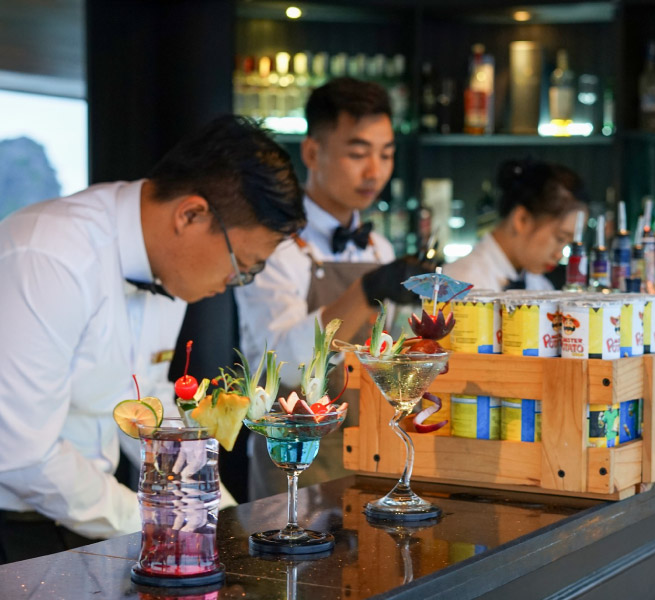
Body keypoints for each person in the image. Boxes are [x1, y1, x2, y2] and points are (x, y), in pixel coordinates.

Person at [0, 116, 305, 581]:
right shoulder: (48, 257)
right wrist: (166, 522)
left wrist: (226, 518)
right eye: (241, 266)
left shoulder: (163, 266)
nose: (235, 283)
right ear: (191, 215)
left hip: (68, 524)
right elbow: (21, 454)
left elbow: (143, 399)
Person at [235, 77, 429, 499]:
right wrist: (363, 292)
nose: (374, 171)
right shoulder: (274, 244)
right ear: (312, 152)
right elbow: (280, 366)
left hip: (376, 451)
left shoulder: (379, 247)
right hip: (297, 457)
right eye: (358, 153)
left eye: (386, 154)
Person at [444, 158, 588, 291]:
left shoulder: (540, 285)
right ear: (522, 219)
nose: (559, 254)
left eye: (567, 244)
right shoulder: (459, 284)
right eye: (560, 238)